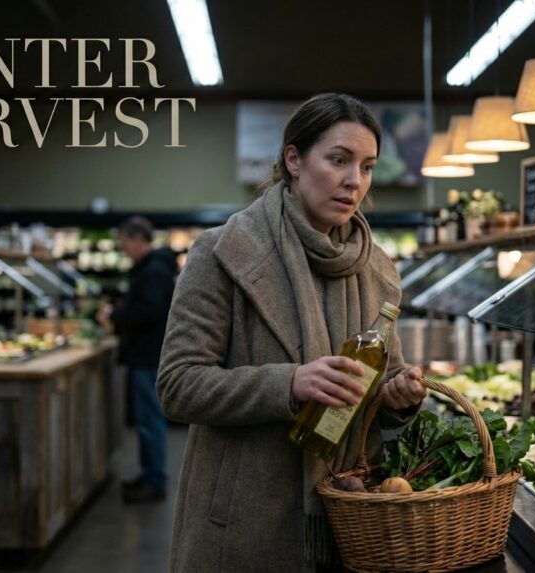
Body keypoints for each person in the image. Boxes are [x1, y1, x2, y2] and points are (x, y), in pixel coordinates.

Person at [156, 94, 426, 572]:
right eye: (339, 160)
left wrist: (400, 397)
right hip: (243, 522)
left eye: (366, 167)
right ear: (294, 160)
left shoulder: (379, 271)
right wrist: (289, 383)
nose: (354, 181)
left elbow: (383, 389)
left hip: (347, 518)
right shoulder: (221, 253)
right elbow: (178, 386)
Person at [96, 216, 177, 503]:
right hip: (148, 354)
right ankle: (149, 475)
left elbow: (149, 311)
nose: (124, 248)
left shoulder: (152, 270)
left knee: (149, 421)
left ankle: (154, 481)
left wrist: (116, 315)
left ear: (138, 239)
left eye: (125, 242)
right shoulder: (155, 268)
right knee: (147, 421)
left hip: (147, 356)